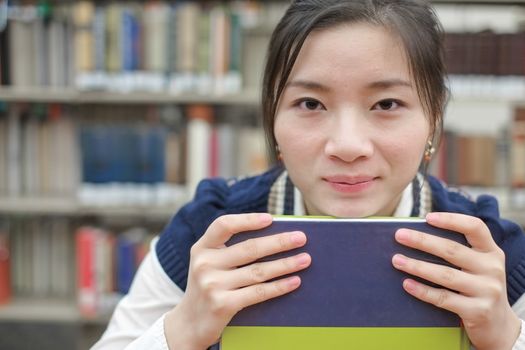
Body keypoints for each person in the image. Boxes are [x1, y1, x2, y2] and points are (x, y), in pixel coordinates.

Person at [92, 0, 525, 349]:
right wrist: (179, 333)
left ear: (432, 121)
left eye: (387, 104)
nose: (348, 146)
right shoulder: (208, 231)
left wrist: (508, 338)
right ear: (273, 121)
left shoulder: (490, 251)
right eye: (311, 105)